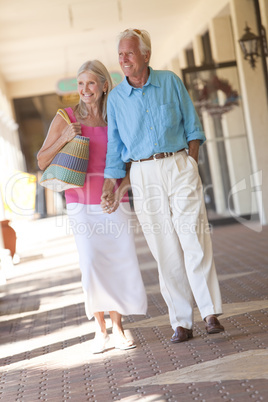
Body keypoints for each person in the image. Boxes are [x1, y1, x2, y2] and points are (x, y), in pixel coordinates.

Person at [101, 29, 224, 343]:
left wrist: (191, 162)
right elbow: (115, 147)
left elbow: (193, 126)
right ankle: (181, 321)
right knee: (165, 248)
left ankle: (210, 312)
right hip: (143, 174)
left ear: (146, 55)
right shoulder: (115, 99)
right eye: (120, 55)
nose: (123, 59)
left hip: (179, 163)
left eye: (129, 53)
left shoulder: (170, 81)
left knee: (194, 237)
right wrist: (110, 183)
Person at [37, 59, 147, 353]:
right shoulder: (67, 116)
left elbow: (130, 160)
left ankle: (119, 328)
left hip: (115, 200)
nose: (85, 89)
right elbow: (42, 160)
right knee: (91, 264)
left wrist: (121, 188)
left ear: (103, 86)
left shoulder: (116, 116)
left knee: (121, 262)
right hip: (81, 203)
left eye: (91, 83)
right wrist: (64, 136)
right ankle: (101, 331)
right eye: (81, 84)